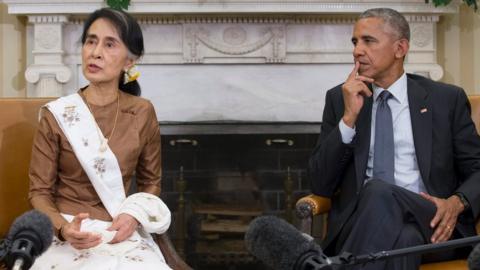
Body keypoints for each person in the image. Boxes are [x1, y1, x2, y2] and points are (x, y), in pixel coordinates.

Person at [309, 7, 480, 270]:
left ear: (400, 48)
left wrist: (456, 203)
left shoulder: (445, 100)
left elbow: (477, 170)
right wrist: (348, 119)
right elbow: (321, 184)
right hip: (363, 224)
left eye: (368, 41)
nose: (357, 50)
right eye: (355, 42)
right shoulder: (339, 99)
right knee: (403, 237)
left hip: (433, 222)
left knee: (377, 190)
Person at [28, 8, 171, 270]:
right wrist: (63, 229)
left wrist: (134, 216)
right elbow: (39, 193)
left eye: (109, 44)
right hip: (67, 231)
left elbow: (152, 183)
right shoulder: (57, 114)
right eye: (91, 41)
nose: (95, 52)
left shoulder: (143, 111)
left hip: (120, 229)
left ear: (130, 61)